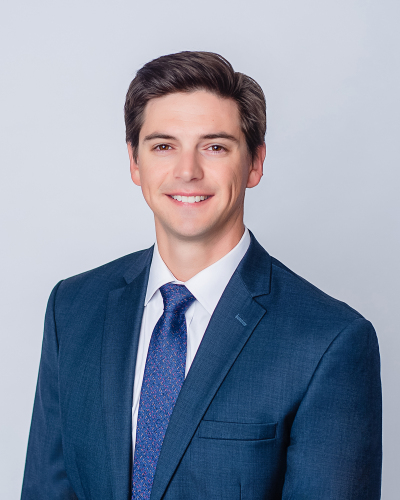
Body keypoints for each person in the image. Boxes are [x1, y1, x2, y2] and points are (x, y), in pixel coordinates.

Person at [21, 51, 382, 500]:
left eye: (214, 147)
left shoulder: (330, 341)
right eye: (163, 146)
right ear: (135, 162)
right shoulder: (73, 308)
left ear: (254, 163)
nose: (187, 171)